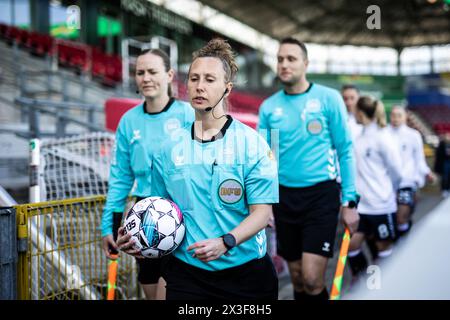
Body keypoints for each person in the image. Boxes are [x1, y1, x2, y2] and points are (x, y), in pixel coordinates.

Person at [117, 39, 279, 300]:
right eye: (194, 78)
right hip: (187, 274)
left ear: (227, 89)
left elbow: (261, 214)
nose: (200, 86)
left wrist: (225, 242)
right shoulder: (168, 148)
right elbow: (157, 208)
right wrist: (138, 239)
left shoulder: (253, 145)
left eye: (209, 79)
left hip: (245, 275)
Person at [258, 37, 359, 301]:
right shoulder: (270, 108)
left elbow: (345, 150)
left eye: (291, 59)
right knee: (299, 279)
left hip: (321, 195)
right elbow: (268, 158)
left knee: (314, 279)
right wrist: (264, 202)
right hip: (284, 198)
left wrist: (349, 201)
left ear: (306, 63)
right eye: (280, 59)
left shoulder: (328, 99)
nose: (284, 64)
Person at [100, 48, 194, 300]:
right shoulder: (128, 121)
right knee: (152, 292)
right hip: (144, 216)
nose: (146, 78)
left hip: (183, 211)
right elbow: (120, 178)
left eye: (152, 71)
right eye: (140, 72)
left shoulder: (188, 114)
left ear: (169, 75)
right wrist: (107, 227)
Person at [348, 96, 403, 278]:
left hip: (381, 206)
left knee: (383, 251)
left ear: (361, 113)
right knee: (352, 246)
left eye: (355, 110)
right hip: (361, 207)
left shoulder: (383, 137)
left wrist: (386, 192)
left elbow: (397, 172)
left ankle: (381, 289)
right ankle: (364, 284)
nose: (353, 113)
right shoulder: (358, 137)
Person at [388, 105, 436, 238]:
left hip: (406, 183)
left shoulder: (413, 135)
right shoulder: (384, 134)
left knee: (401, 217)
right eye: (393, 115)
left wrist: (427, 172)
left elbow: (419, 159)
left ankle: (403, 239)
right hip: (387, 185)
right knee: (392, 219)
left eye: (399, 115)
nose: (396, 118)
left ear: (405, 117)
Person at [434, 132, 450, 198]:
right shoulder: (442, 144)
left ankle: (448, 188)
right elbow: (438, 154)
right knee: (444, 177)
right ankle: (444, 190)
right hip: (444, 162)